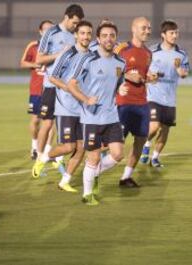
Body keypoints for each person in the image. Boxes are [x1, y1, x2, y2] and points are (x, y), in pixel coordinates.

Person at [67, 22, 126, 205]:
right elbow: (71, 84)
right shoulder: (87, 59)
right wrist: (85, 99)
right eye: (105, 36)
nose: (109, 39)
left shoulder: (120, 62)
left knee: (117, 154)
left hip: (112, 116)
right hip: (91, 117)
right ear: (98, 39)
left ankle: (93, 172)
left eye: (112, 35)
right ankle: (87, 194)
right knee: (92, 156)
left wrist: (121, 89)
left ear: (116, 39)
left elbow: (117, 84)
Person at [33, 20, 94, 193]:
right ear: (76, 34)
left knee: (82, 147)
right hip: (66, 107)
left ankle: (64, 181)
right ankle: (43, 158)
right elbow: (52, 77)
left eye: (89, 33)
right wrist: (68, 88)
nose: (86, 36)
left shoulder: (92, 56)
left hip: (83, 109)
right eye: (82, 33)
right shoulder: (67, 54)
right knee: (69, 147)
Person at [140, 20, 190, 167]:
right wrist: (150, 77)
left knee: (165, 130)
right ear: (163, 35)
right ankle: (146, 144)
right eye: (172, 33)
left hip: (170, 98)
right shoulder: (152, 52)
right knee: (154, 126)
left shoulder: (181, 54)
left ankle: (155, 158)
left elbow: (183, 74)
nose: (175, 35)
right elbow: (143, 70)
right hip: (153, 95)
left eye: (176, 33)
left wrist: (179, 68)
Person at [114, 17, 154, 187]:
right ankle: (93, 168)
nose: (147, 31)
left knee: (140, 139)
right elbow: (111, 71)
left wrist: (149, 77)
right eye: (144, 28)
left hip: (142, 103)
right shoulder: (122, 49)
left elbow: (143, 76)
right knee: (114, 145)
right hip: (123, 103)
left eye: (149, 28)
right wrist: (128, 75)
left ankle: (126, 177)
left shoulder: (148, 53)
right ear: (134, 28)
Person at [20, 20, 54, 160]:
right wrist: (36, 63)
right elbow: (22, 63)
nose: (48, 32)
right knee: (35, 120)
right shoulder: (34, 46)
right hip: (36, 90)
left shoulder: (56, 47)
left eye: (51, 29)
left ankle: (47, 151)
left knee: (50, 121)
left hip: (51, 89)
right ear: (40, 32)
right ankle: (34, 147)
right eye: (45, 29)